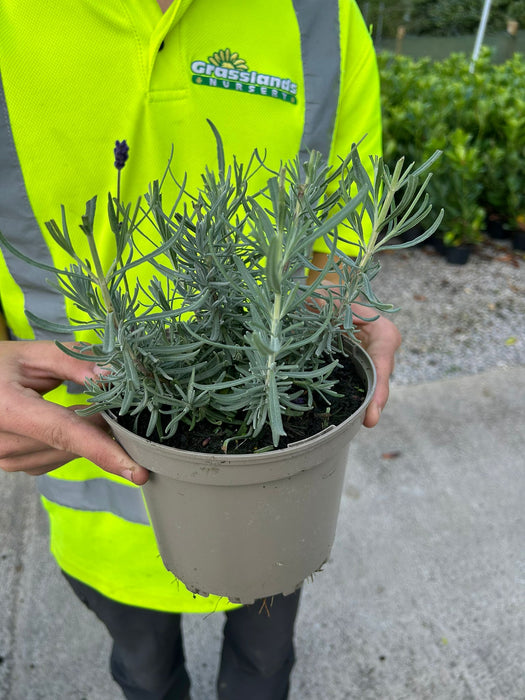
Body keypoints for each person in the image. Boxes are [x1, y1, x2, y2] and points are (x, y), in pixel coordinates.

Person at [0, 1, 401, 698]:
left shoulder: (321, 15)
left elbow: (341, 225)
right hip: (89, 497)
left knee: (263, 668)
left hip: (278, 513)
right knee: (144, 674)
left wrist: (339, 297)